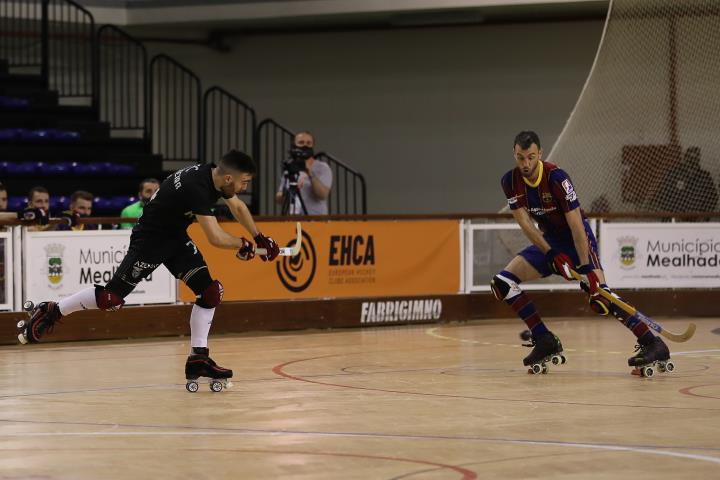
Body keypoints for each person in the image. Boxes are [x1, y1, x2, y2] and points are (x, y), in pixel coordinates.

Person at [17, 150, 280, 389]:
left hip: (175, 238)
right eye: (244, 182)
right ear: (228, 179)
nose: (245, 187)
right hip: (150, 241)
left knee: (210, 292)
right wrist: (243, 245)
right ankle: (52, 309)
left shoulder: (213, 175)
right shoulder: (197, 188)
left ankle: (198, 358)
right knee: (111, 299)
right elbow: (215, 237)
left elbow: (237, 207)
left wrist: (259, 237)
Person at [491, 131, 670, 374]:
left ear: (540, 154)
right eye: (521, 158)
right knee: (503, 283)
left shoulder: (557, 178)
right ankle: (544, 340)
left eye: (531, 157)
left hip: (578, 240)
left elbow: (576, 225)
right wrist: (551, 253)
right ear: (514, 154)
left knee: (600, 297)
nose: (526, 164)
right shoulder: (510, 182)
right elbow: (525, 224)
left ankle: (653, 343)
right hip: (550, 242)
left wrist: (586, 268)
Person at [275, 131, 333, 215]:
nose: (305, 145)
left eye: (309, 143)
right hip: (293, 218)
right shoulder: (290, 167)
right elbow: (279, 198)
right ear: (294, 145)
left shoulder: (322, 168)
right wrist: (289, 191)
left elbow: (322, 195)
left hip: (316, 219)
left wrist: (310, 174)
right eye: (301, 142)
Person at [656, 146, 719, 220]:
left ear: (698, 159)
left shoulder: (705, 177)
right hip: (675, 220)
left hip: (697, 220)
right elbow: (662, 197)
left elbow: (713, 199)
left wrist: (703, 216)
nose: (692, 161)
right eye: (690, 157)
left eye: (695, 158)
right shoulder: (674, 174)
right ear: (685, 158)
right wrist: (673, 215)